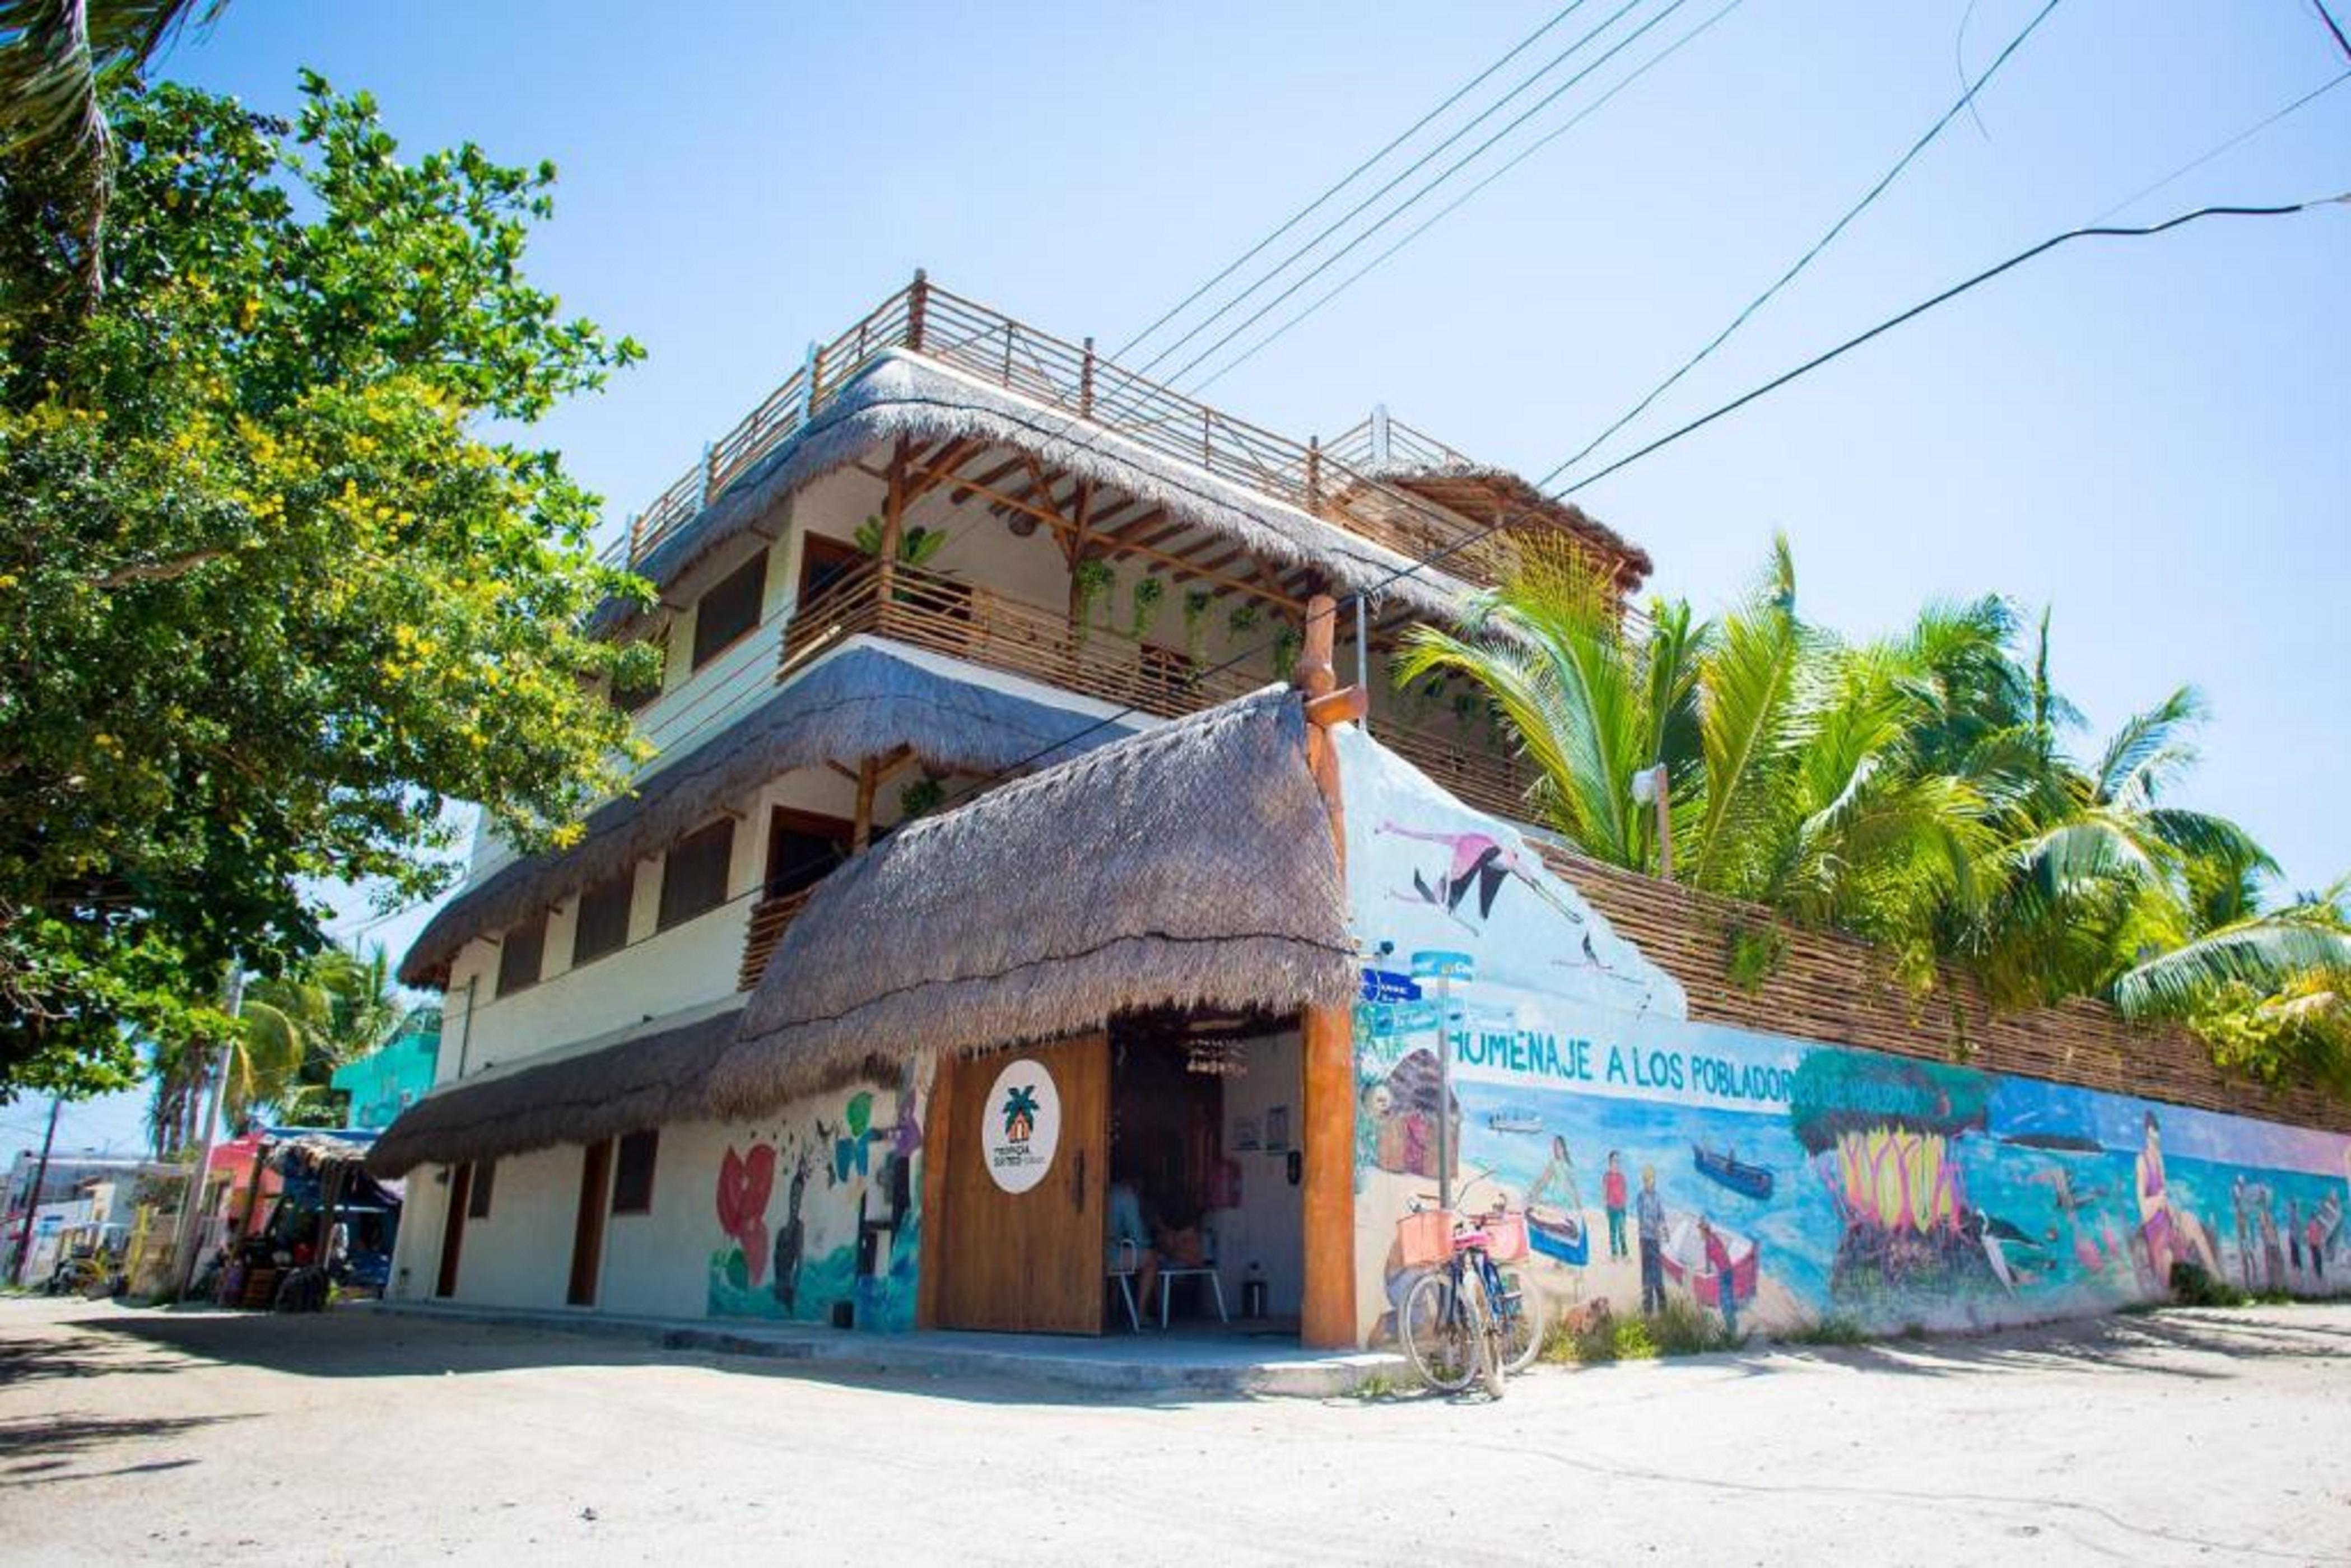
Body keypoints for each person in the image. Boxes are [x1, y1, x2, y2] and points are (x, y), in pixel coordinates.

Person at [1109, 1179, 1158, 1322]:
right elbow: (1136, 1235)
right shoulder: (1125, 1195)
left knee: (1121, 1255)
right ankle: (1140, 1313)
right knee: (1152, 1258)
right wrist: (1152, 1244)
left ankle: (1112, 1307)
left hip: (1087, 1255)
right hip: (1109, 1255)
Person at [1699, 1216, 1738, 1338]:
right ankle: (1732, 1331)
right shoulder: (1714, 1238)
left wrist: (1705, 1273)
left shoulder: (1709, 1243)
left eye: (1700, 1231)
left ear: (1704, 1231)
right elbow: (1721, 1257)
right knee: (1727, 1302)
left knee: (1725, 1302)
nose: (1700, 1234)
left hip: (1724, 1272)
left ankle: (1731, 1332)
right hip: (1727, 1271)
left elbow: (1709, 1266)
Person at [1635, 1166, 1666, 1314]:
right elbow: (1642, 1219)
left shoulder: (1658, 1196)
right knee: (1647, 1277)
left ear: (1654, 1180)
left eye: (1651, 1179)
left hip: (1656, 1240)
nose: (1649, 1183)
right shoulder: (1641, 1197)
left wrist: (1664, 1228)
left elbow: (1661, 1215)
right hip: (1646, 1239)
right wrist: (1653, 1229)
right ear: (1644, 1181)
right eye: (1646, 1180)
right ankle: (1648, 1312)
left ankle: (1663, 1311)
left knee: (1658, 1274)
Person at [1602, 1151, 1630, 1261]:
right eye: (1614, 1161)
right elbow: (1604, 1192)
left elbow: (1625, 1191)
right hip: (1612, 1207)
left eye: (1618, 1161)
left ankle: (1625, 1253)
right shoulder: (1607, 1176)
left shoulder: (1622, 1177)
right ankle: (1614, 1253)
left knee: (1622, 1231)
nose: (1616, 1163)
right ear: (1610, 1162)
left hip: (1622, 1208)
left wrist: (1624, 1203)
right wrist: (1605, 1207)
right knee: (1613, 1232)